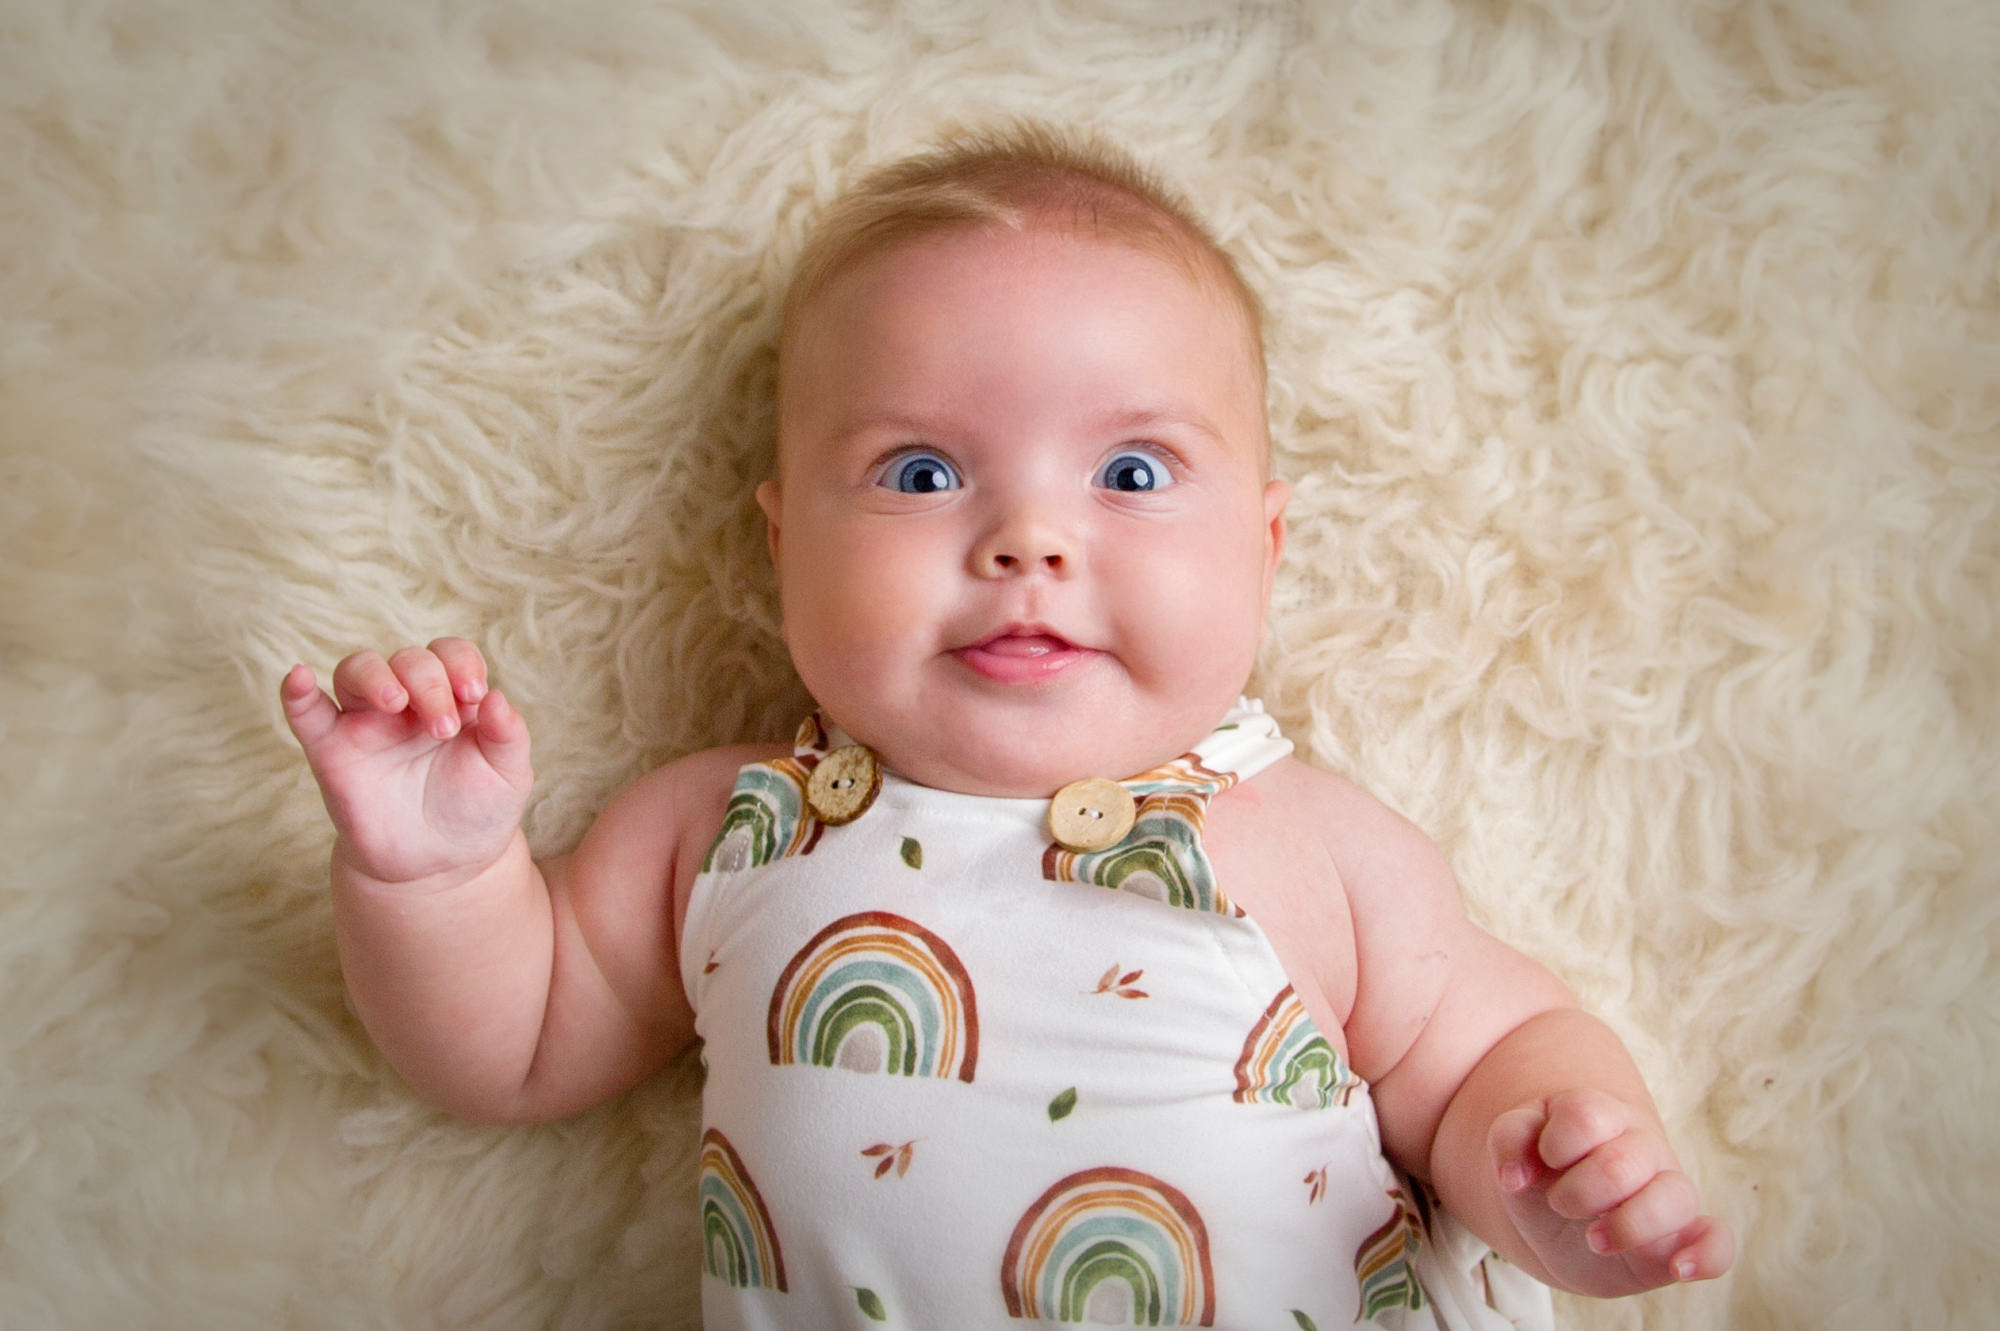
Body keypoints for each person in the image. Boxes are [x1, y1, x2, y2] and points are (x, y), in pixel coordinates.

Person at [281, 124, 1733, 1328]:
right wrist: (438, 879)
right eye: (919, 473)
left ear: (1266, 549)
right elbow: (512, 1049)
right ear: (782, 547)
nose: (1029, 537)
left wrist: (1555, 1176)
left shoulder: (1297, 836)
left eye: (1132, 470)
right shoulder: (714, 832)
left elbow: (1491, 1052)